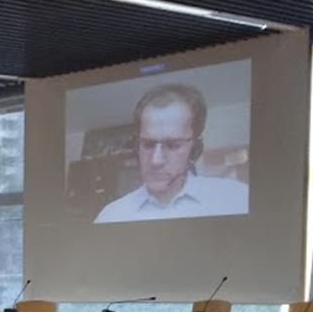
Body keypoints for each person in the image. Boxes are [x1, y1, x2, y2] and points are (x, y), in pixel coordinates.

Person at [92, 83, 249, 223]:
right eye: (148, 144)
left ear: (195, 149)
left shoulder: (238, 198)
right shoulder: (110, 216)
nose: (156, 160)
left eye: (173, 145)